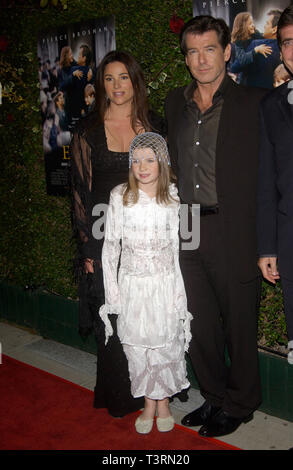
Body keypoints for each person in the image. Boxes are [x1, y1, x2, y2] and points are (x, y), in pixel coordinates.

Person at [165, 15, 268, 438]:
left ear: (227, 52)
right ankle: (214, 394)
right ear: (186, 57)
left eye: (210, 49)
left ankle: (241, 402)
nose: (201, 59)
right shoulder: (175, 102)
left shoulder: (255, 102)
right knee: (198, 319)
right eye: (192, 51)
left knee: (239, 320)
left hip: (233, 225)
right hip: (186, 222)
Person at [70, 51, 165, 418]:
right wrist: (88, 250)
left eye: (123, 77)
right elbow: (81, 194)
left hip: (147, 240)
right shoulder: (88, 130)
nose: (117, 86)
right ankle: (121, 396)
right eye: (109, 79)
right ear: (101, 85)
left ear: (135, 80)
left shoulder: (155, 124)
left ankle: (154, 391)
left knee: (148, 317)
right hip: (106, 241)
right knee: (112, 318)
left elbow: (169, 184)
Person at [99, 132, 192, 434]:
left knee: (165, 343)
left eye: (150, 160)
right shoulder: (119, 196)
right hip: (133, 285)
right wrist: (112, 291)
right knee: (137, 346)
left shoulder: (173, 198)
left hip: (164, 283)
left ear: (162, 163)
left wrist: (179, 291)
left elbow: (176, 248)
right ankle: (147, 404)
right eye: (136, 160)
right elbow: (111, 245)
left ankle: (162, 401)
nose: (142, 166)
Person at [257, 5, 293, 365]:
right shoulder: (271, 105)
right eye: (287, 42)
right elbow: (267, 181)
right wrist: (267, 246)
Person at [231, 10, 282, 89]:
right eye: (250, 24)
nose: (264, 26)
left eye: (267, 23)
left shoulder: (256, 43)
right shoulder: (284, 48)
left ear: (274, 30)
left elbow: (234, 68)